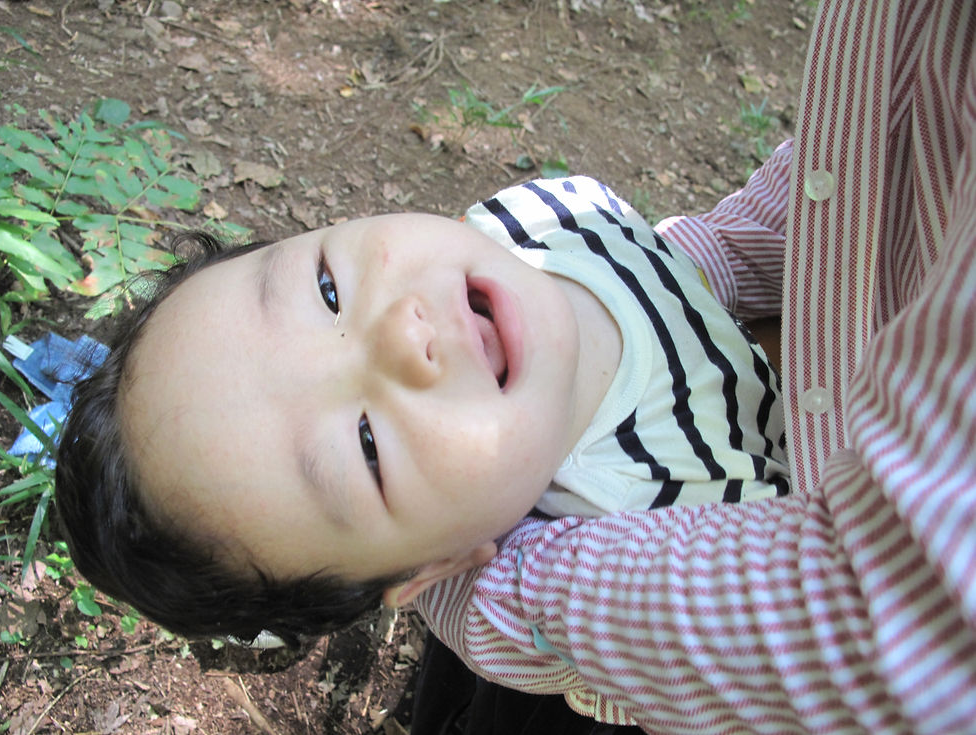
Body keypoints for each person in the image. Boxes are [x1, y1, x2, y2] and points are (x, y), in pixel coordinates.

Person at [410, 0, 976, 733]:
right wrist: (664, 274)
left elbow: (919, 631)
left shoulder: (705, 498)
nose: (404, 340)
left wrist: (498, 588)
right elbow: (905, 131)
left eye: (332, 291)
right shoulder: (547, 232)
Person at [54, 175, 789, 647]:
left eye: (327, 290)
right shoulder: (665, 530)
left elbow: (680, 267)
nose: (404, 334)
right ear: (438, 566)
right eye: (367, 446)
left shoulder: (531, 219)